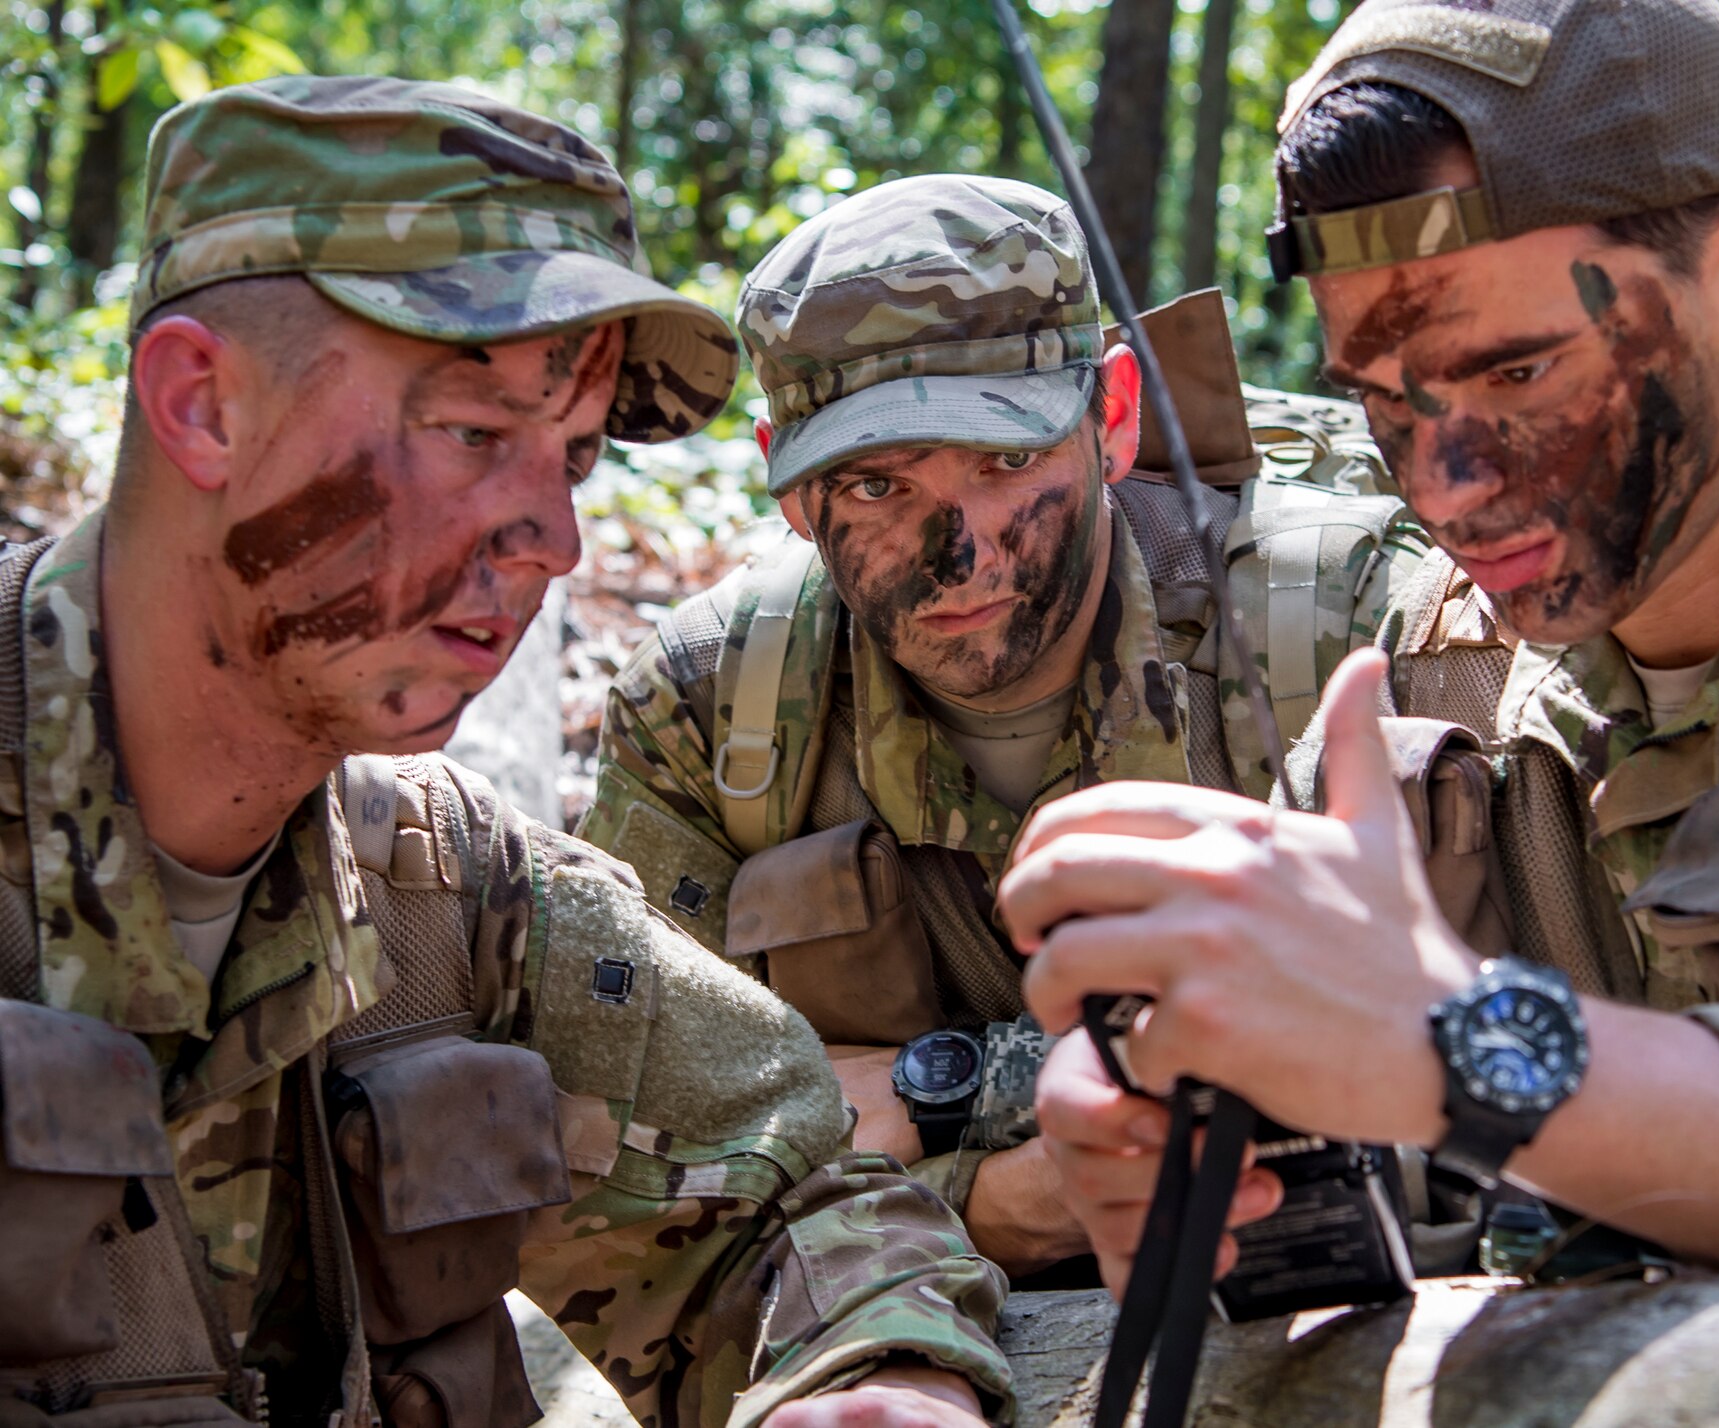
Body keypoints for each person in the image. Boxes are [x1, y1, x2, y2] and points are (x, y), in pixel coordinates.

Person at [0, 76, 1011, 1428]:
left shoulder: (444, 890)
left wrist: (881, 1384)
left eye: (574, 458)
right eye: (474, 433)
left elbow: (798, 1191)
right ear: (202, 405)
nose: (554, 537)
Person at [1001, 0, 1719, 1298]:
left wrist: (1466, 1052)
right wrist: (1159, 1103)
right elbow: (1284, 1042)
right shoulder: (1439, 664)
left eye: (1521, 376)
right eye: (1382, 399)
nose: (1447, 487)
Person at [578, 172, 1428, 1278]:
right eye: (879, 488)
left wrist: (929, 1098)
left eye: (1007, 463)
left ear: (1110, 418)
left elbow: (1478, 1054)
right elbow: (629, 1173)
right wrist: (990, 1203)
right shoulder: (705, 707)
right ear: (788, 490)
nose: (962, 558)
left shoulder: (1353, 633)